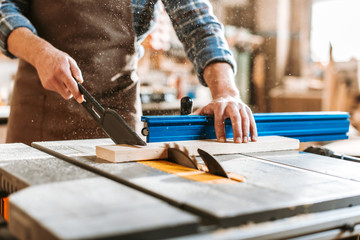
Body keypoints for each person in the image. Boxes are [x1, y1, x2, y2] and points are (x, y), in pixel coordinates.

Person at [0, 0, 257, 145]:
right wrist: (39, 52)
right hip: (39, 120)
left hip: (117, 123)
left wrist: (225, 92)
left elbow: (198, 25)